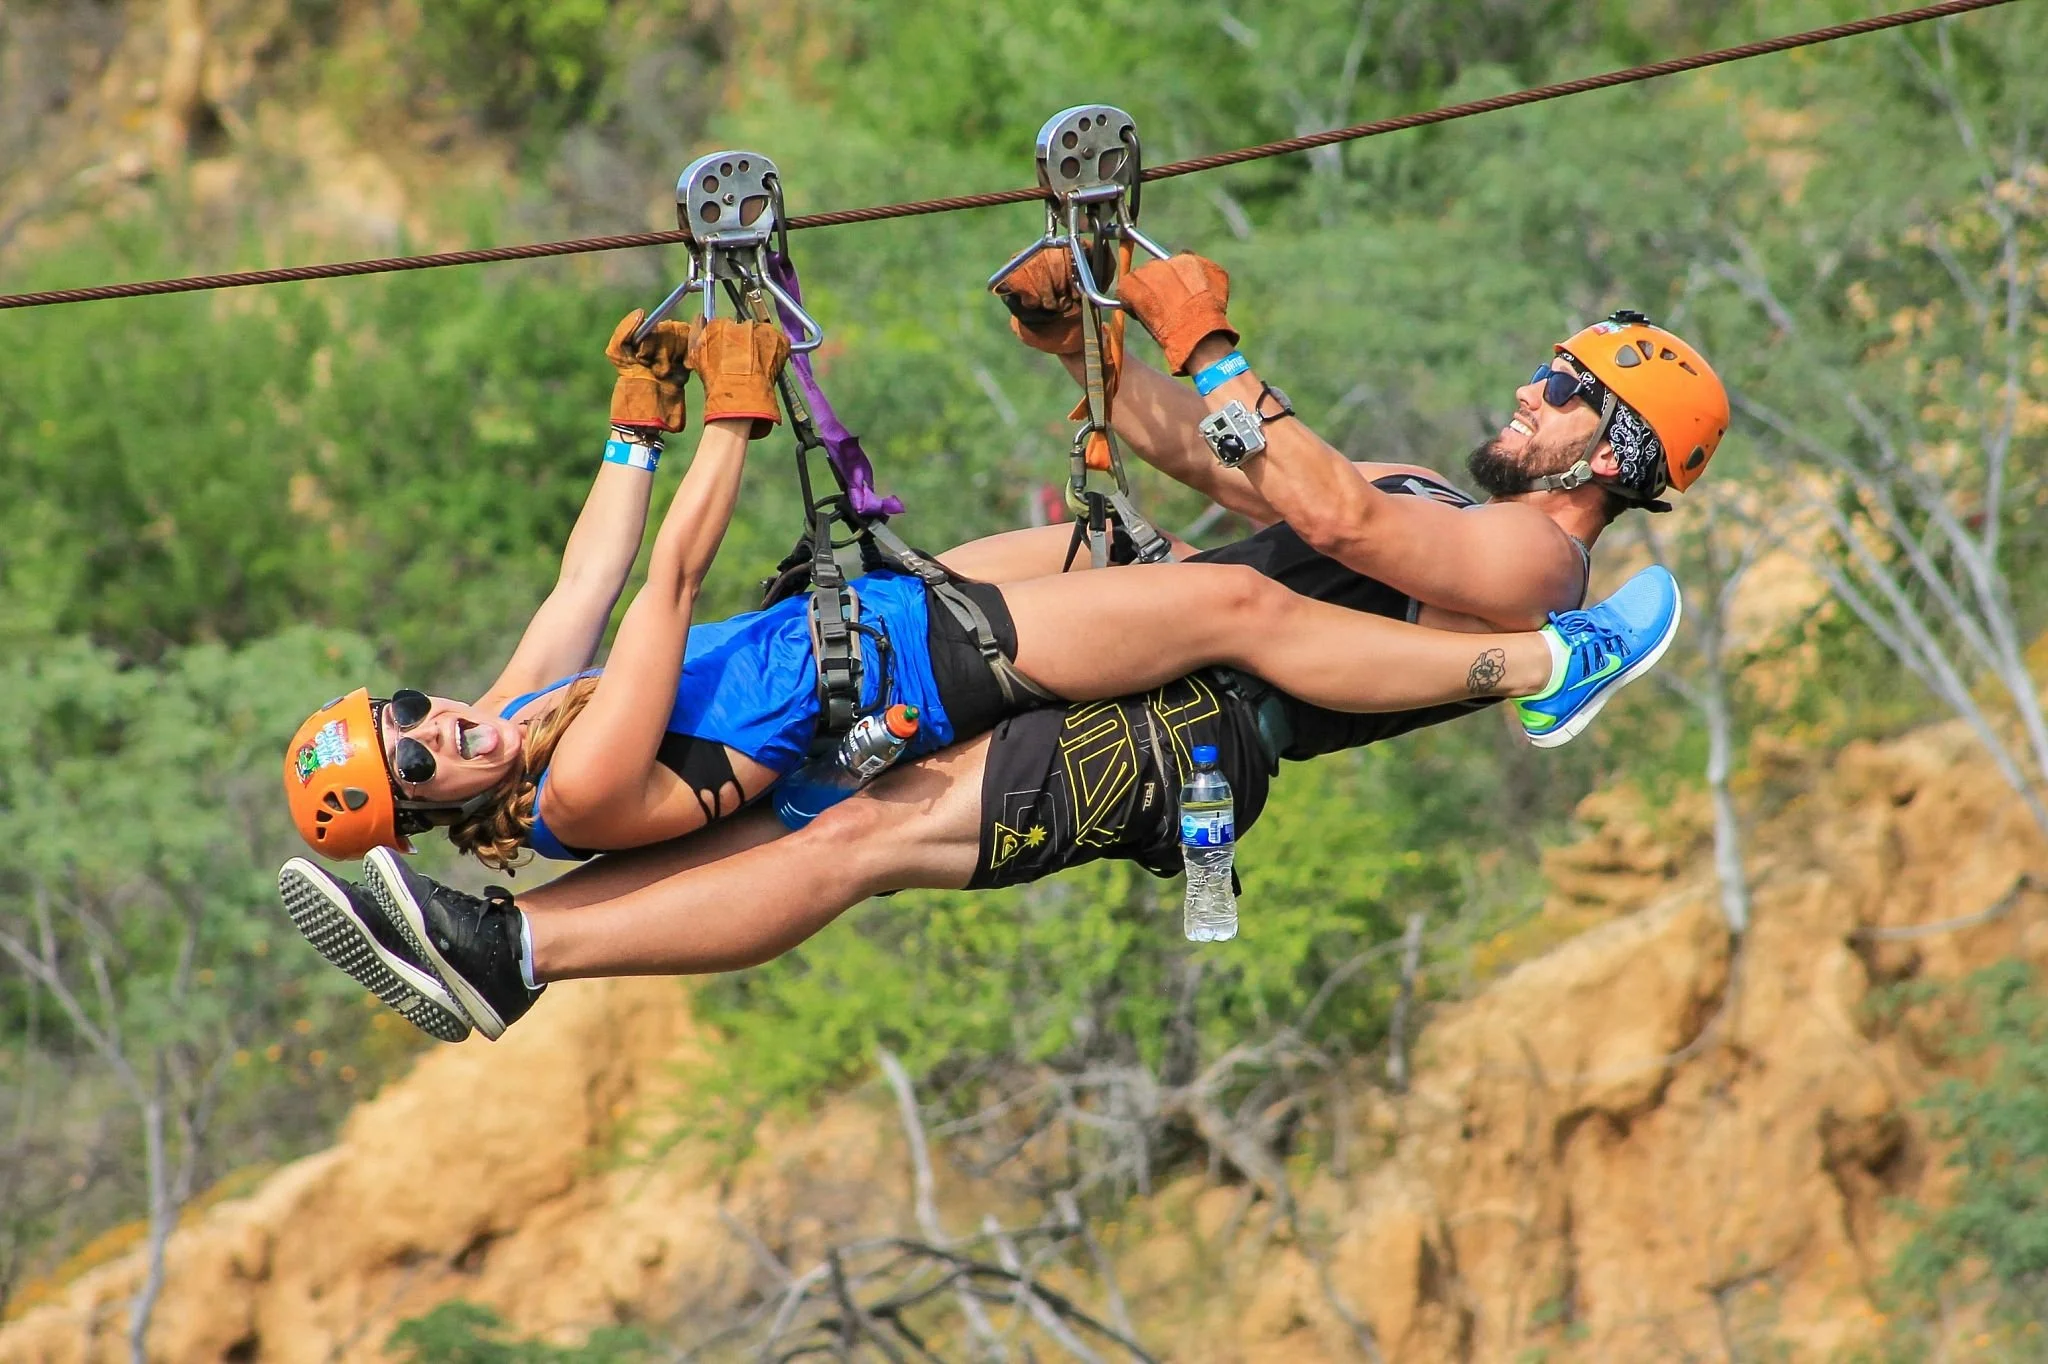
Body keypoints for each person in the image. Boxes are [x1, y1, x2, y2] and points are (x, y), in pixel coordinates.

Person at [276, 247, 1726, 1044]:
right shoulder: (549, 744)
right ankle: (507, 951)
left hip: (1188, 729)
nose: (1530, 395)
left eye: (1563, 388)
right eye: (1545, 372)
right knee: (1137, 594)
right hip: (1105, 701)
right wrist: (1090, 349)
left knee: (1205, 611)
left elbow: (1328, 513)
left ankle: (1562, 672)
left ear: (1620, 446)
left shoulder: (1537, 552)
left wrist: (1212, 351)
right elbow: (1235, 479)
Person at [283, 299, 1675, 874]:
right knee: (1231, 605)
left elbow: (592, 567)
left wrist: (633, 422)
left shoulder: (528, 704)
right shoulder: (575, 786)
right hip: (917, 671)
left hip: (886, 614)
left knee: (1156, 565)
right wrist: (730, 416)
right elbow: (659, 591)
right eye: (419, 766)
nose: (439, 729)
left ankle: (1526, 679)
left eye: (407, 710)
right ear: (434, 816)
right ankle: (1553, 675)